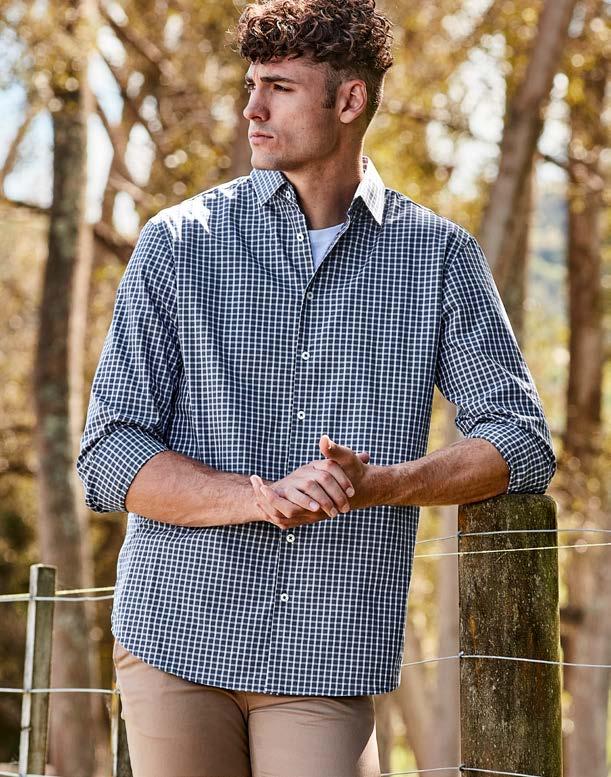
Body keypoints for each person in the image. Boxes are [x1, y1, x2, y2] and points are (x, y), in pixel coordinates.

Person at [76, 0, 556, 774]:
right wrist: (259, 497)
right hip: (176, 635)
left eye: (278, 87)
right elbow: (108, 453)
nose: (251, 108)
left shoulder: (436, 258)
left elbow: (520, 441)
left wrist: (383, 484)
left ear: (348, 100)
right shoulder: (178, 244)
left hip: (328, 650)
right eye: (250, 84)